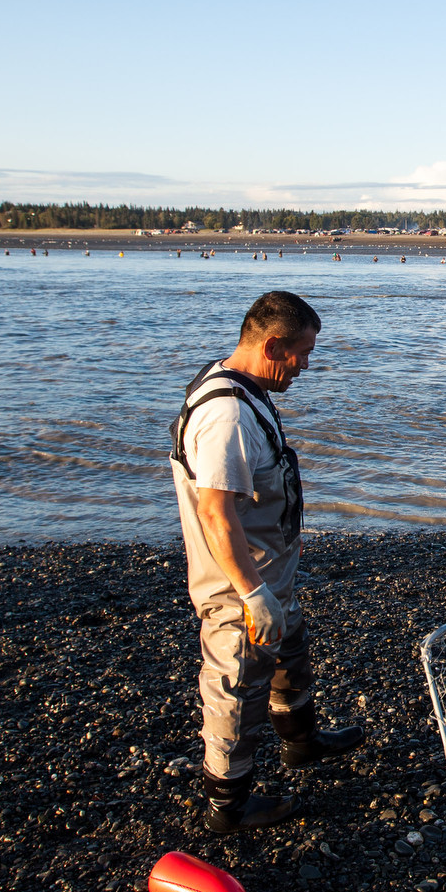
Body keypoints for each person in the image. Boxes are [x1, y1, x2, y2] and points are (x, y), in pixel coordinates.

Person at [170, 290, 363, 833]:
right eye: (303, 353)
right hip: (239, 590)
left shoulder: (244, 388)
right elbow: (215, 514)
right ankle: (228, 806)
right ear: (273, 344)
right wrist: (253, 595)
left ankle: (302, 746)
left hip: (271, 576)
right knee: (237, 685)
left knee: (290, 656)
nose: (307, 365)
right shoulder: (226, 415)